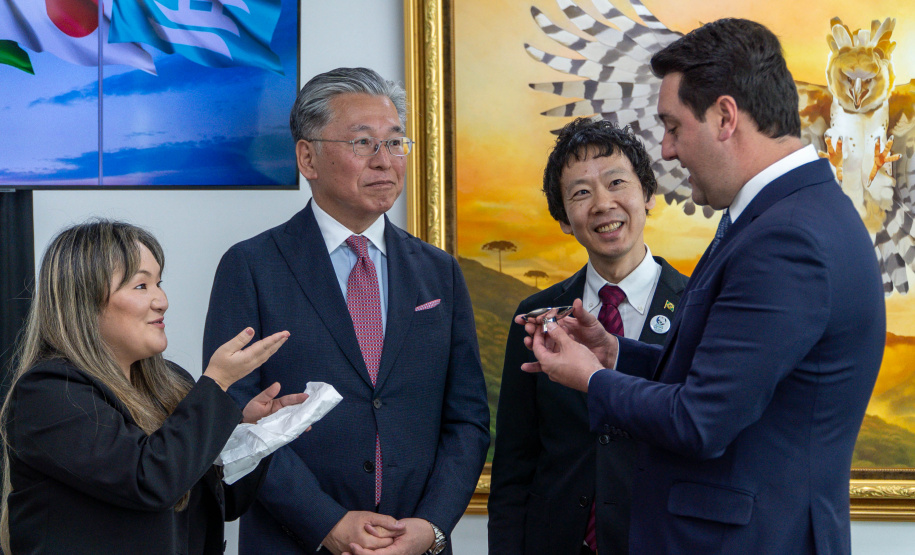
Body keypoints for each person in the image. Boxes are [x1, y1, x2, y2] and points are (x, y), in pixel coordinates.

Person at [521, 18, 885, 554]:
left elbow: (700, 421)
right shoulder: (783, 216)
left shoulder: (786, 238)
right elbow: (724, 376)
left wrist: (593, 380)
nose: (666, 151)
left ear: (724, 117)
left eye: (673, 127)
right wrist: (617, 352)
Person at [202, 66, 489, 555]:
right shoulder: (251, 266)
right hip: (295, 542)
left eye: (396, 143)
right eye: (363, 143)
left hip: (412, 542)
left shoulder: (439, 272)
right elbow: (233, 415)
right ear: (307, 157)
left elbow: (468, 420)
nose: (385, 161)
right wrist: (325, 523)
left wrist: (431, 527)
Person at [0, 220, 303, 555]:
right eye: (141, 286)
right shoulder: (49, 392)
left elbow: (223, 502)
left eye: (159, 283)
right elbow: (151, 481)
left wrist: (250, 431)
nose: (162, 300)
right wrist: (216, 384)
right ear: (83, 299)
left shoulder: (173, 383)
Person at [488, 118, 687, 555]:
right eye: (580, 193)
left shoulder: (696, 306)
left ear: (648, 195)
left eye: (617, 182)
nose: (602, 203)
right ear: (564, 220)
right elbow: (515, 464)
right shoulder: (537, 316)